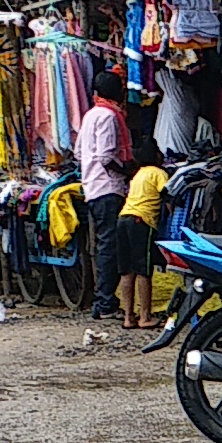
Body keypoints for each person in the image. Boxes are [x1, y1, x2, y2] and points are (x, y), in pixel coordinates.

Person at [76, 71, 133, 322]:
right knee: (109, 247)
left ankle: (104, 300)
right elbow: (106, 157)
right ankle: (105, 302)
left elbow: (80, 152)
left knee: (104, 245)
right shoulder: (110, 116)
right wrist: (129, 170)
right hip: (108, 187)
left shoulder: (90, 115)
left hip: (92, 187)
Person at [113, 143, 168, 338]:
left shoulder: (137, 174)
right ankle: (145, 316)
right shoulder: (157, 172)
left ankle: (129, 317)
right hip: (141, 221)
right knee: (143, 270)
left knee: (126, 271)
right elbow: (167, 192)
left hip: (123, 218)